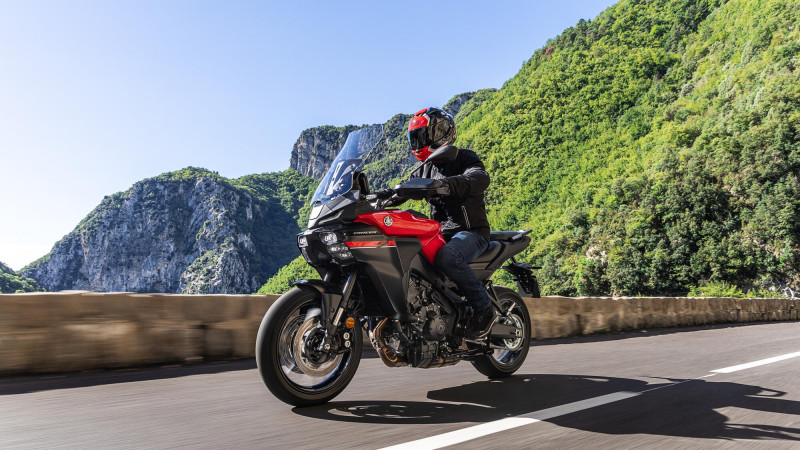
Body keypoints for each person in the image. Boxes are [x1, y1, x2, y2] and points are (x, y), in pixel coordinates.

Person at [380, 107, 497, 338]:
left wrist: (445, 185)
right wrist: (371, 197)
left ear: (441, 132)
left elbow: (479, 177)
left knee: (448, 257)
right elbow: (400, 189)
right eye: (415, 138)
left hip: (471, 232)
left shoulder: (464, 158)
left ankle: (484, 308)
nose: (418, 143)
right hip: (439, 234)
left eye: (422, 136)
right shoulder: (425, 168)